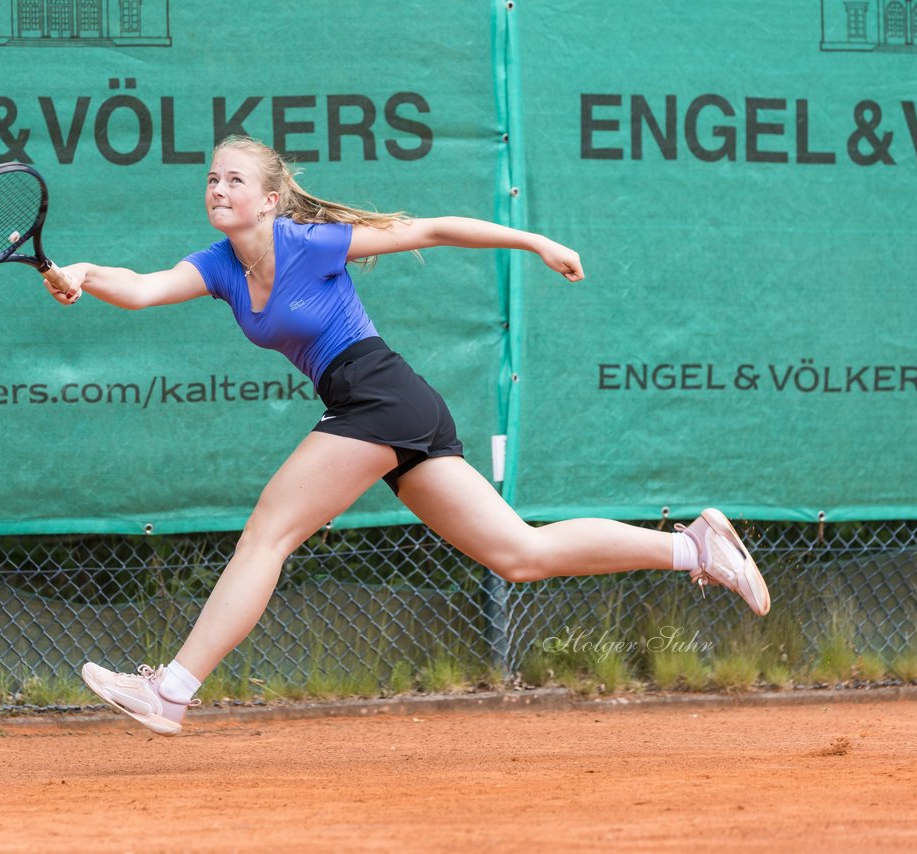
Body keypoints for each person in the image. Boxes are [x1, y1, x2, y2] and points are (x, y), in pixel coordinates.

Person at [40, 135, 771, 736]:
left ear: (269, 198)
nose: (218, 188)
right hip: (388, 408)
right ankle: (692, 548)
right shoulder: (219, 267)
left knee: (268, 531)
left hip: (379, 395)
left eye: (234, 179)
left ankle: (173, 688)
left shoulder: (309, 242)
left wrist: (535, 240)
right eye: (211, 179)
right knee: (521, 553)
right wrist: (82, 272)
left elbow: (433, 229)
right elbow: (139, 288)